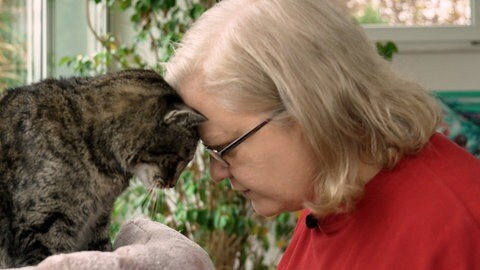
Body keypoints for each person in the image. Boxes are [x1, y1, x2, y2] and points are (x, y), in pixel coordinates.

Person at [164, 0, 480, 269]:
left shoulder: (460, 228)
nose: (217, 173)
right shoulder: (330, 201)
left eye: (225, 148)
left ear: (306, 110)